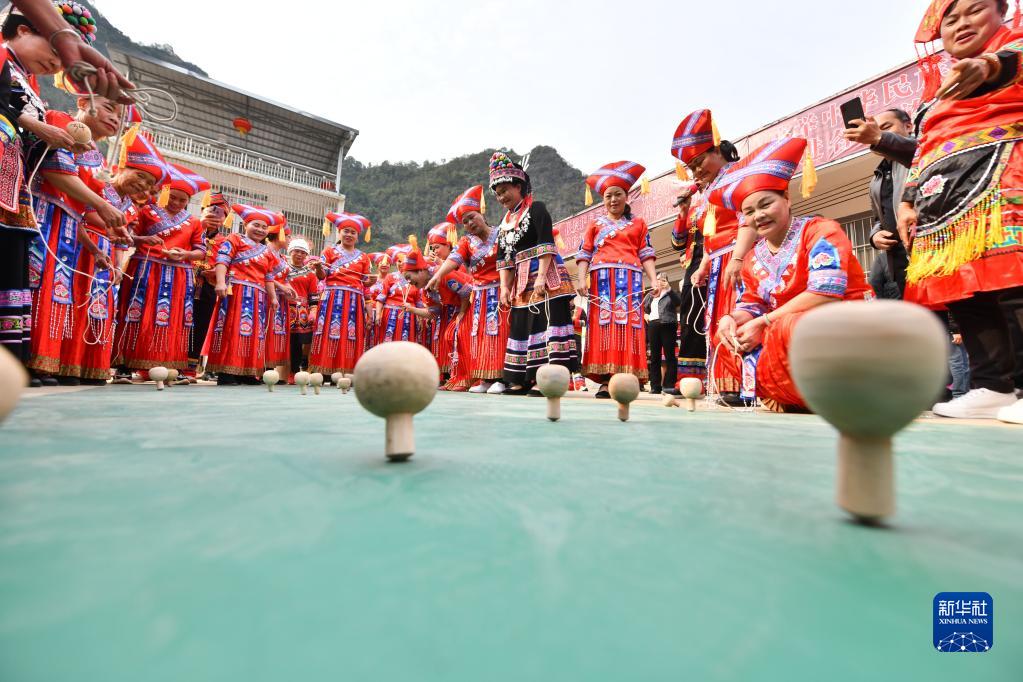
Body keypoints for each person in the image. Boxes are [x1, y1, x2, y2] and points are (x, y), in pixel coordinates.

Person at [898, 0, 1023, 421]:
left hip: (1005, 171)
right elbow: (924, 148)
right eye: (950, 20)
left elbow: (1010, 61)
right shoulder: (938, 92)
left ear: (1001, 10)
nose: (961, 24)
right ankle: (993, 386)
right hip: (945, 198)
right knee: (966, 292)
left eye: (974, 10)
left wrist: (989, 66)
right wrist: (908, 200)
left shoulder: (1013, 47)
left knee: (1015, 282)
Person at [711, 138, 875, 411]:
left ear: (787, 198)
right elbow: (751, 304)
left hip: (844, 322)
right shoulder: (752, 257)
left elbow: (825, 294)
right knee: (726, 335)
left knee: (788, 327)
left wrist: (764, 322)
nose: (758, 216)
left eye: (765, 204)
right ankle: (789, 397)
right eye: (749, 212)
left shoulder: (820, 231)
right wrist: (730, 319)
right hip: (786, 329)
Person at [26, 99, 127, 385]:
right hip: (42, 217)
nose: (115, 119)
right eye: (109, 108)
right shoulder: (61, 122)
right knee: (36, 285)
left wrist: (104, 237)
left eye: (120, 116)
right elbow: (55, 172)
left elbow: (83, 210)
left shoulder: (97, 157)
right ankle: (24, 360)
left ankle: (45, 362)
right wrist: (103, 208)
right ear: (84, 102)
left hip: (67, 229)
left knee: (55, 291)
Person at [671, 109, 753, 400]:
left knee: (738, 314)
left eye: (699, 162)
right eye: (691, 167)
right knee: (716, 320)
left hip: (739, 254)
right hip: (717, 260)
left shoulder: (740, 178)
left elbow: (747, 220)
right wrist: (704, 264)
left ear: (717, 150)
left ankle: (746, 383)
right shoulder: (709, 192)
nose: (696, 172)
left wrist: (739, 258)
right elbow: (708, 235)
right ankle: (727, 383)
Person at [490, 152, 578, 394]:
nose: (501, 197)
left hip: (546, 275)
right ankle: (521, 379)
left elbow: (546, 243)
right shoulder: (504, 224)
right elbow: (504, 259)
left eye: (505, 190)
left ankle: (544, 379)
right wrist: (505, 288)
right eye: (498, 193)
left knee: (545, 324)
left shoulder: (536, 209)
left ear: (519, 186)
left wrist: (541, 278)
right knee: (521, 326)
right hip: (520, 280)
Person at [113, 161, 206, 379]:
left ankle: (171, 362)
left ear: (188, 202)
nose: (176, 203)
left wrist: (185, 255)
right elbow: (126, 236)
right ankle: (125, 364)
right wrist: (144, 239)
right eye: (173, 197)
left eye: (182, 200)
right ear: (164, 194)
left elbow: (201, 251)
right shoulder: (145, 211)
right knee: (137, 313)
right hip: (146, 268)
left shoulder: (194, 222)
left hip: (179, 274)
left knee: (174, 318)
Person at [574, 161, 657, 397]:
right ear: (603, 200)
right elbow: (584, 253)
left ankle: (626, 377)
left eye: (618, 194)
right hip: (601, 281)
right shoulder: (594, 224)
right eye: (608, 196)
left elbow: (646, 253)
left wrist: (653, 279)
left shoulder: (638, 223)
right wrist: (581, 279)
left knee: (628, 326)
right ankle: (604, 380)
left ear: (626, 196)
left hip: (630, 281)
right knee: (603, 326)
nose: (613, 200)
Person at [428, 185, 510, 393]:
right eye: (465, 222)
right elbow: (454, 259)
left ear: (482, 213)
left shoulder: (502, 233)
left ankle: (501, 377)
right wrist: (438, 275)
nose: (469, 223)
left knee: (499, 333)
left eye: (472, 217)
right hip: (480, 296)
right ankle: (485, 379)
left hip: (500, 291)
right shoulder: (466, 242)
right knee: (479, 335)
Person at [204, 204, 284, 385]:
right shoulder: (234, 239)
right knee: (232, 330)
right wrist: (221, 282)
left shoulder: (267, 251)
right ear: (245, 225)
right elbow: (222, 260)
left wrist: (273, 297)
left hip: (258, 297)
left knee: (254, 333)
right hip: (237, 291)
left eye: (264, 227)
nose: (260, 230)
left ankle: (246, 371)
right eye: (256, 225)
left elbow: (268, 277)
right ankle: (226, 372)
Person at [843, 108, 917, 296]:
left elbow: (917, 151)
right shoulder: (877, 178)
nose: (878, 132)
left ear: (909, 126)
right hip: (899, 261)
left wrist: (879, 138)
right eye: (875, 129)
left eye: (885, 127)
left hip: (930, 248)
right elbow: (879, 218)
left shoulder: (922, 153)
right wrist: (874, 236)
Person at [307, 212, 373, 376]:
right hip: (332, 298)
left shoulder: (363, 257)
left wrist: (371, 282)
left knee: (349, 333)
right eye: (346, 231)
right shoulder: (329, 252)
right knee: (329, 330)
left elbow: (365, 283)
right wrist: (319, 267)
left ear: (357, 236)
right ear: (339, 232)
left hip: (354, 300)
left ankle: (347, 369)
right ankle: (324, 370)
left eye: (353, 232)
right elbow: (322, 276)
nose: (349, 235)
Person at [399, 244, 472, 381]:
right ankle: (456, 377)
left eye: (409, 277)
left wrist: (462, 313)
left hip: (470, 304)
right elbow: (434, 312)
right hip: (455, 308)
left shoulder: (442, 274)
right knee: (447, 336)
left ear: (421, 270)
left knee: (454, 334)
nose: (409, 282)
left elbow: (467, 291)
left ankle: (467, 377)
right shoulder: (426, 289)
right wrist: (412, 309)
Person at [189, 192, 229, 378]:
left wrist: (218, 272)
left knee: (201, 324)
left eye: (220, 214)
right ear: (203, 211)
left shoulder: (226, 241)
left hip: (208, 287)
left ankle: (189, 367)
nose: (215, 216)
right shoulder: (190, 228)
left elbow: (230, 264)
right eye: (211, 211)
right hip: (185, 282)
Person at [283, 237, 322, 379]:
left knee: (298, 343)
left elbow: (313, 296)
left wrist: (313, 311)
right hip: (283, 308)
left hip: (301, 313)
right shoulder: (283, 269)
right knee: (280, 340)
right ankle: (270, 370)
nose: (299, 254)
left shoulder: (310, 275)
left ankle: (293, 372)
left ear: (306, 255)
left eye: (303, 252)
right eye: (296, 251)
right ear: (290, 252)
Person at [643, 274, 681, 395]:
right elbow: (644, 308)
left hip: (668, 324)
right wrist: (645, 315)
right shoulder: (651, 294)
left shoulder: (671, 293)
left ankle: (669, 385)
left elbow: (678, 302)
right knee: (655, 356)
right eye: (658, 279)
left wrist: (669, 288)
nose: (659, 281)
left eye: (662, 280)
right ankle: (655, 386)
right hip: (653, 325)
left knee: (670, 356)